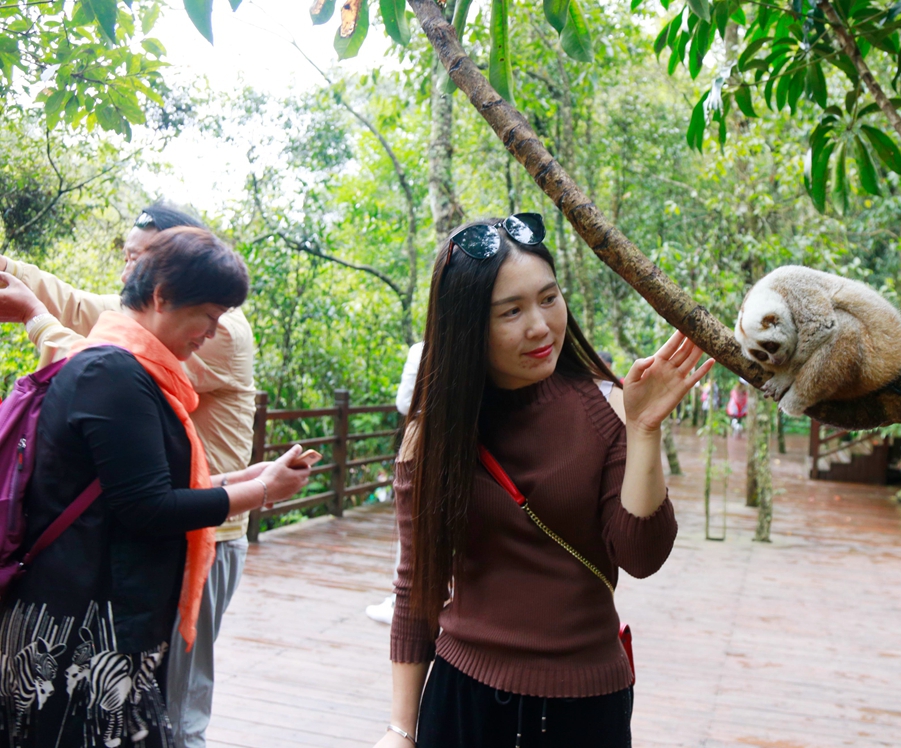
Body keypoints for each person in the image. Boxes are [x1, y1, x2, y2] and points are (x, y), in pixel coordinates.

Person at [376, 214, 712, 748]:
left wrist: (644, 429)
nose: (540, 326)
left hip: (586, 705)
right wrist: (400, 728)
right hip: (464, 699)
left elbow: (642, 556)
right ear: (467, 327)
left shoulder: (606, 406)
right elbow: (417, 587)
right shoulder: (435, 437)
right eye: (511, 311)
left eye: (549, 299)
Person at [0, 227, 311, 748]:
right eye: (209, 317)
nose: (212, 334)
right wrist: (260, 495)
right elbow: (148, 507)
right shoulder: (114, 373)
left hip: (98, 619)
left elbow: (137, 486)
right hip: (78, 633)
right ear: (162, 296)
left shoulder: (127, 367)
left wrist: (246, 476)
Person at [366, 341, 426, 624]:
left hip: (426, 444)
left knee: (411, 524)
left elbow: (404, 402)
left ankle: (401, 601)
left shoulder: (421, 350)